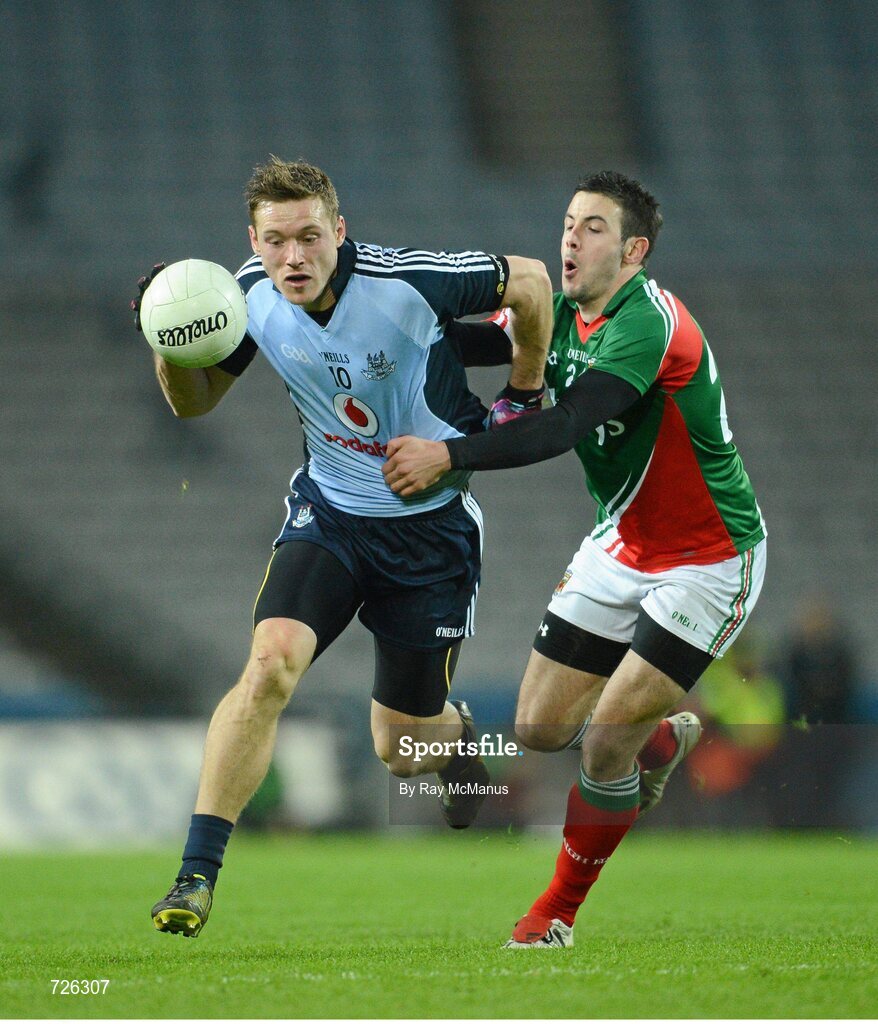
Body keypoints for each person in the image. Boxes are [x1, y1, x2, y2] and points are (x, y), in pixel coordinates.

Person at [134, 157, 552, 937]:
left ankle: (455, 743)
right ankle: (195, 875)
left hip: (430, 532)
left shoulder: (408, 281)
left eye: (310, 237)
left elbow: (530, 282)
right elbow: (193, 404)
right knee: (268, 665)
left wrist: (522, 396)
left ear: (340, 232)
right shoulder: (244, 294)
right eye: (274, 241)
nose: (293, 257)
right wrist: (168, 340)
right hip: (329, 516)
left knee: (399, 749)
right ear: (252, 242)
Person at [383, 171, 767, 948]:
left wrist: (446, 454)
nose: (569, 237)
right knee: (539, 732)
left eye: (592, 226)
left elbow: (565, 426)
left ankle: (554, 912)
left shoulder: (649, 325)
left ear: (633, 250)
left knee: (603, 742)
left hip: (709, 557)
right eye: (567, 222)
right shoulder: (555, 312)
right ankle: (661, 739)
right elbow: (460, 340)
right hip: (621, 542)